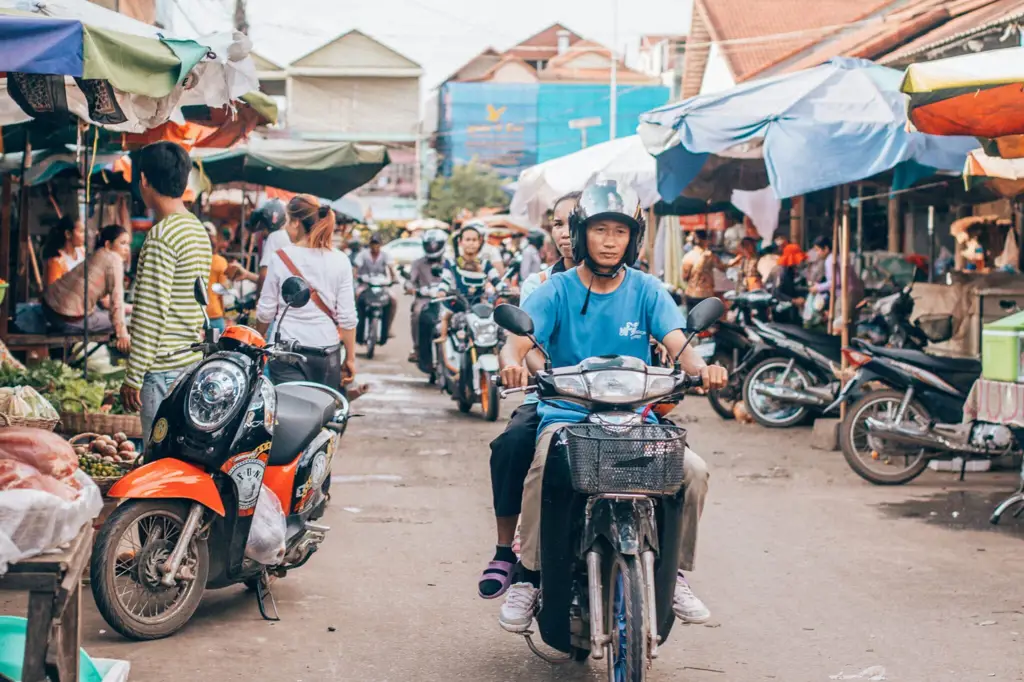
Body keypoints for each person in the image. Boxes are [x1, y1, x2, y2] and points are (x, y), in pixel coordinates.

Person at [494, 178, 727, 634]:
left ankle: (673, 573)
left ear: (632, 238)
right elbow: (516, 342)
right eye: (601, 230)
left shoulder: (646, 289)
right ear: (582, 234)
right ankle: (531, 574)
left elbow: (679, 342)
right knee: (543, 472)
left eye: (619, 232)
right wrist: (510, 365)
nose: (609, 241)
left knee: (693, 471)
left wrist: (703, 369)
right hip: (567, 418)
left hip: (635, 419)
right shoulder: (557, 289)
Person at [478, 191, 578, 600]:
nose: (565, 233)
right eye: (557, 224)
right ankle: (507, 550)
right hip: (553, 397)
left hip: (616, 401)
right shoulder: (542, 283)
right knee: (511, 444)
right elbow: (523, 340)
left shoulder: (633, 284)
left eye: (573, 223)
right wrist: (533, 369)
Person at [119, 141, 213, 446]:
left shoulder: (161, 236)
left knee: (158, 464)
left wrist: (134, 376)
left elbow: (150, 313)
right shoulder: (196, 229)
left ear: (144, 180)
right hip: (188, 363)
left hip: (160, 371)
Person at [255, 195, 357, 387]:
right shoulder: (340, 260)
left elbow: (265, 311)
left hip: (286, 352)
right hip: (325, 352)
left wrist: (258, 344)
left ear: (295, 222)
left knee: (288, 412)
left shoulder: (279, 258)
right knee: (322, 412)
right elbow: (347, 318)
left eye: (286, 221)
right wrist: (350, 358)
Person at [42, 225, 131, 352]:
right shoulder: (114, 259)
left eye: (128, 244)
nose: (127, 248)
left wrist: (131, 308)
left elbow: (106, 302)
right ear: (108, 245)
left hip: (49, 309)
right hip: (67, 319)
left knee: (108, 315)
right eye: (122, 243)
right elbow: (115, 303)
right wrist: (122, 335)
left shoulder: (98, 255)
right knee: (128, 321)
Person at [404, 228, 446, 364]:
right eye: (429, 244)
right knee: (417, 313)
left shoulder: (449, 263)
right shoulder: (418, 263)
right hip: (424, 299)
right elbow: (410, 281)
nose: (433, 247)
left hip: (445, 299)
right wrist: (412, 288)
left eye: (436, 244)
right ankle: (417, 347)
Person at [353, 233, 399, 342]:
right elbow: (355, 268)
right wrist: (356, 276)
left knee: (393, 300)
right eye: (373, 244)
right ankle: (354, 324)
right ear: (369, 245)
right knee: (356, 296)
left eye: (377, 244)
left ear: (381, 245)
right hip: (365, 284)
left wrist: (393, 279)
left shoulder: (385, 255)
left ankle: (388, 327)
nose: (375, 247)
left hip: (381, 284)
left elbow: (391, 268)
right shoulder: (363, 255)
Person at [681, 229, 725, 311]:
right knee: (707, 322)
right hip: (707, 295)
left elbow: (684, 277)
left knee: (693, 322)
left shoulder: (688, 257)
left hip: (691, 294)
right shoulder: (710, 256)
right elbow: (722, 268)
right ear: (705, 240)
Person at [42, 216, 86, 286]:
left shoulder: (82, 252)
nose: (84, 235)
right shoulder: (56, 262)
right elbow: (53, 292)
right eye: (81, 231)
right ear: (68, 234)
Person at [205, 222, 231, 332]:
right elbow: (223, 291)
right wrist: (227, 316)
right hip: (215, 314)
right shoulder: (220, 262)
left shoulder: (194, 260)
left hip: (197, 315)